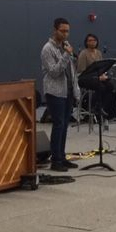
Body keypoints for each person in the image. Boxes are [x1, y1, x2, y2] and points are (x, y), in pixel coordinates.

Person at [41, 17, 81, 172]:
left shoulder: (66, 46)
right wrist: (66, 55)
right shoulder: (47, 49)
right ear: (55, 30)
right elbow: (54, 71)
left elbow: (71, 70)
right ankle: (55, 160)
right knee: (58, 125)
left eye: (68, 31)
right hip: (55, 91)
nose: (65, 34)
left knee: (64, 125)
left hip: (68, 90)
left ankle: (62, 157)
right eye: (62, 31)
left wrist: (75, 88)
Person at [77, 33, 116, 124]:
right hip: (85, 78)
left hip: (97, 77)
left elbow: (102, 67)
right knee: (100, 86)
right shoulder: (83, 53)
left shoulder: (98, 53)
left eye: (94, 40)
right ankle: (94, 106)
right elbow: (81, 71)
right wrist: (97, 77)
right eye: (90, 40)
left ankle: (100, 106)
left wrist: (103, 75)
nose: (92, 42)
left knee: (110, 86)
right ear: (86, 42)